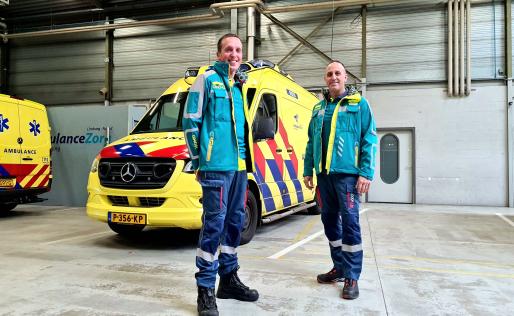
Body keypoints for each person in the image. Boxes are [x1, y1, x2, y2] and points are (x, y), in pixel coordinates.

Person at [182, 33, 258, 316]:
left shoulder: (239, 86)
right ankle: (205, 289)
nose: (234, 54)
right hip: (215, 167)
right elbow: (190, 122)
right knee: (213, 225)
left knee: (234, 224)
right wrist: (199, 160)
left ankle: (228, 280)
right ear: (218, 54)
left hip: (239, 167)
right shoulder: (207, 79)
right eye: (229, 49)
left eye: (238, 50)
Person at [303, 61, 377, 300]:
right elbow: (311, 142)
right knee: (329, 223)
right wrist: (308, 170)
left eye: (337, 73)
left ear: (345, 77)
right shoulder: (318, 108)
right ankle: (339, 267)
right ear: (325, 79)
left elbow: (370, 138)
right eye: (329, 74)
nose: (333, 77)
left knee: (350, 225)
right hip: (323, 176)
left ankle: (352, 275)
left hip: (347, 177)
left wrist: (366, 172)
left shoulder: (359, 104)